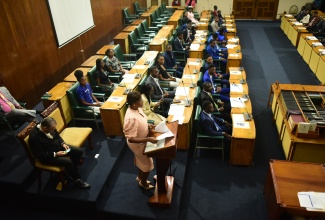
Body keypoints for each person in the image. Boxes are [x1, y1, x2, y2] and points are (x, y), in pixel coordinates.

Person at [29, 117, 90, 189]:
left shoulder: (50, 127)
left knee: (78, 151)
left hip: (58, 147)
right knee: (67, 162)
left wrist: (63, 144)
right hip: (48, 157)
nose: (53, 130)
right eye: (52, 129)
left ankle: (71, 170)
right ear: (45, 128)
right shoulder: (34, 137)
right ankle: (77, 180)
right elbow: (40, 155)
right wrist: (56, 154)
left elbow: (58, 136)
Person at [123, 91, 158, 190]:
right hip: (138, 144)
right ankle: (143, 183)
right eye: (140, 101)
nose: (142, 102)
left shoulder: (137, 108)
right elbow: (131, 139)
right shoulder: (131, 118)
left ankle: (139, 177)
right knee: (147, 164)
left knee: (140, 161)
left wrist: (148, 126)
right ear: (134, 103)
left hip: (143, 140)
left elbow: (142, 121)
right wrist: (148, 139)